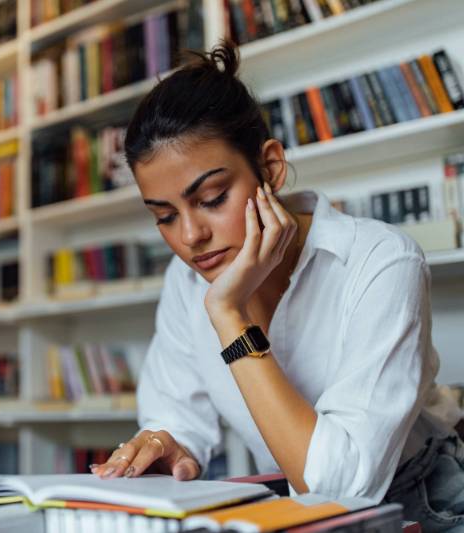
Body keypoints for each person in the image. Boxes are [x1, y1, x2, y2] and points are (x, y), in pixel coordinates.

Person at [89, 41, 464, 532]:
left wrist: (229, 313)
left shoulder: (380, 260)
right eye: (164, 216)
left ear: (270, 168)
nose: (190, 237)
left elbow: (340, 487)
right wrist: (163, 445)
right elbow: (177, 419)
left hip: (427, 500)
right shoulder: (184, 283)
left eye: (212, 198)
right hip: (295, 506)